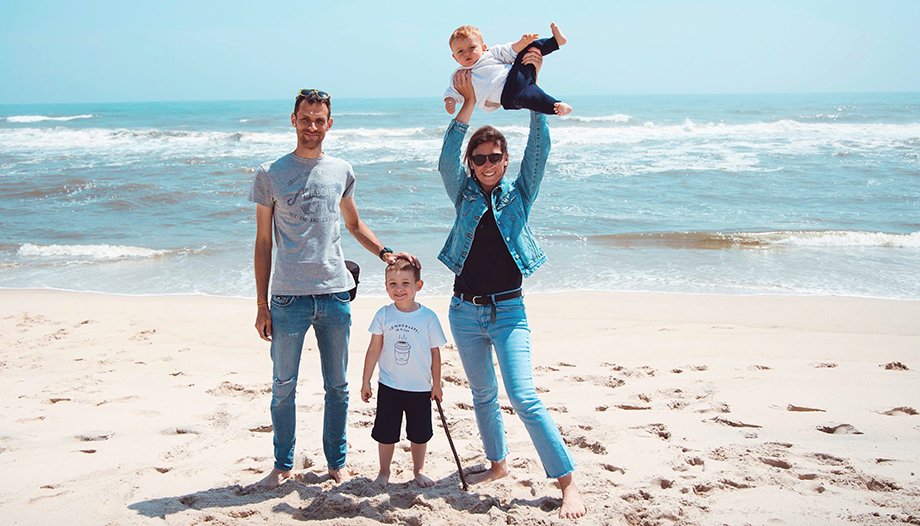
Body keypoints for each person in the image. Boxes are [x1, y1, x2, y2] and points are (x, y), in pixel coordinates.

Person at [245, 88, 418, 492]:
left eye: (319, 120)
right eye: (305, 119)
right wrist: (261, 304)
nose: (312, 126)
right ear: (293, 120)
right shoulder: (270, 173)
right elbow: (263, 241)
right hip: (287, 298)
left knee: (338, 387)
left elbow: (354, 224)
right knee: (283, 386)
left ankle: (336, 464)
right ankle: (282, 464)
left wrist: (385, 253)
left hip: (335, 294)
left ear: (329, 123)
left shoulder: (341, 169)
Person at [435, 67, 587, 519]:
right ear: (472, 164)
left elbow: (538, 154)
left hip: (508, 312)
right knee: (483, 394)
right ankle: (497, 464)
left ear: (505, 161)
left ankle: (568, 484)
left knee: (523, 397)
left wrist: (537, 104)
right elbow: (445, 159)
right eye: (479, 158)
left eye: (495, 157)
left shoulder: (519, 195)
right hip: (464, 312)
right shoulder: (462, 195)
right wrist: (466, 106)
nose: (487, 164)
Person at [360, 259, 447, 488]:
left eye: (405, 283)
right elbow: (374, 349)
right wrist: (366, 381)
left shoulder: (428, 317)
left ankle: (418, 470)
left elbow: (435, 354)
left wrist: (436, 384)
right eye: (393, 284)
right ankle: (384, 472)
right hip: (389, 386)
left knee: (420, 434)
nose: (399, 289)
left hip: (420, 388)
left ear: (418, 285)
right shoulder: (383, 314)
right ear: (386, 286)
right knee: (385, 433)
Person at [443, 22, 572, 117]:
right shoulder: (460, 76)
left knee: (529, 49)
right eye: (460, 51)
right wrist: (450, 100)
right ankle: (556, 105)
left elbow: (511, 50)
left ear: (483, 47)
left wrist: (523, 42)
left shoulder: (491, 53)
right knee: (535, 98)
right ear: (455, 57)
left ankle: (556, 41)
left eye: (472, 48)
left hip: (516, 73)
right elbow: (452, 91)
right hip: (510, 95)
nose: (467, 53)